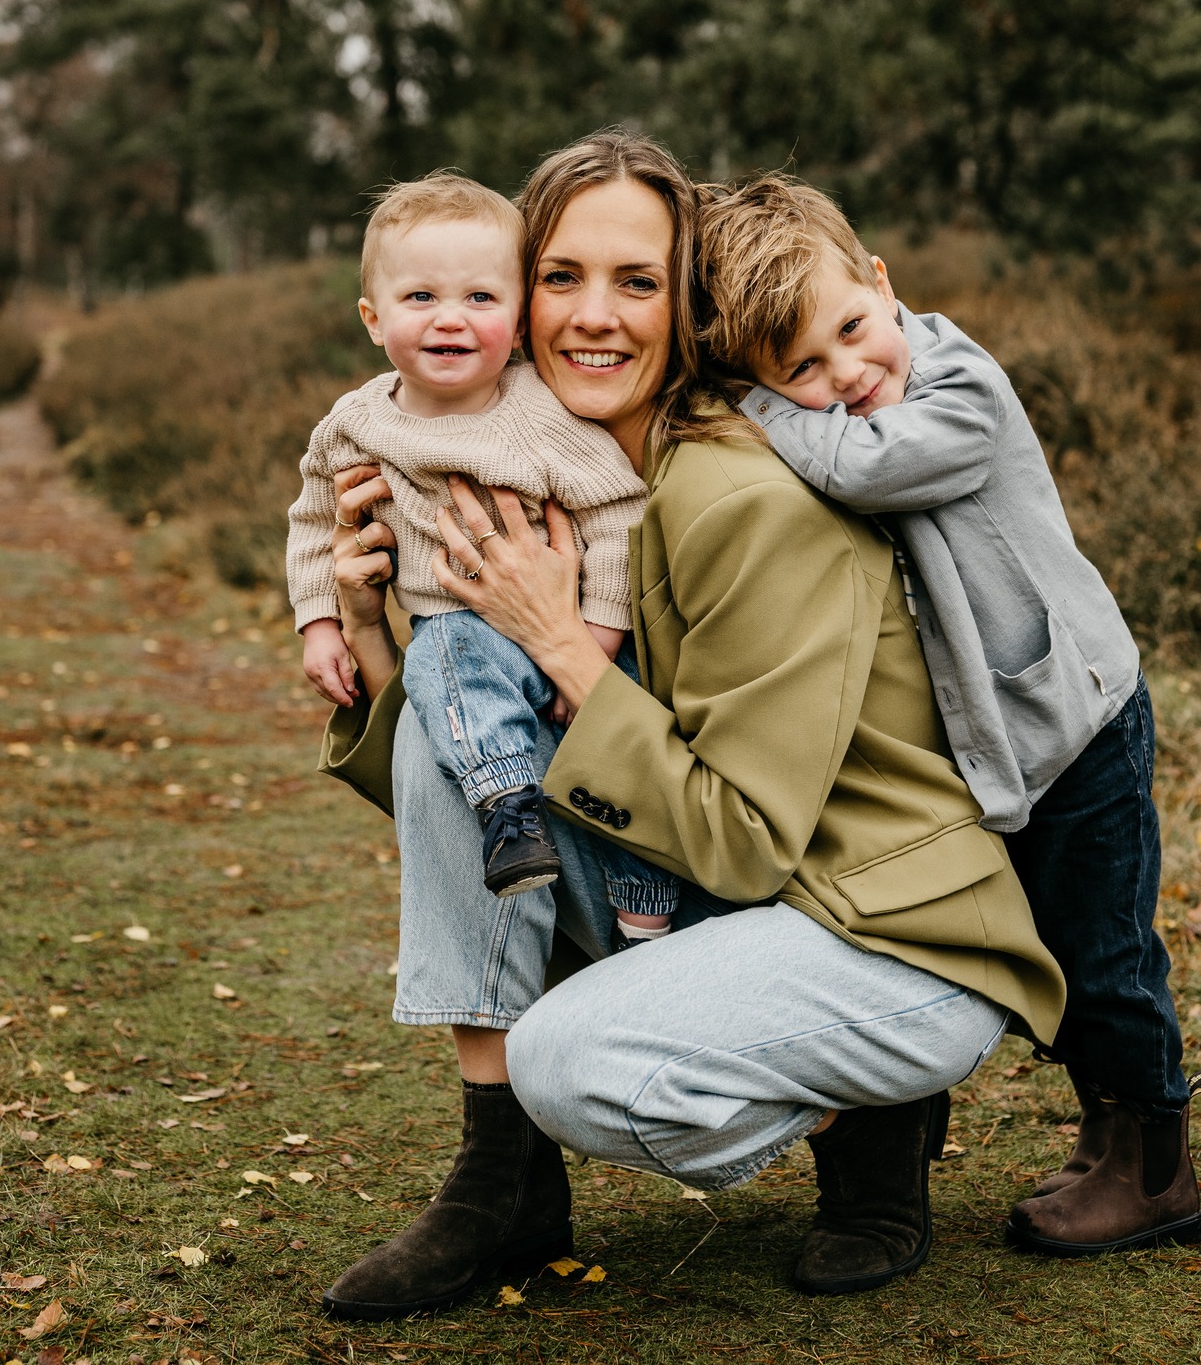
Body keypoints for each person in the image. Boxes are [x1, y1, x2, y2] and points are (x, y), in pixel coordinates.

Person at [312, 131, 1066, 1320]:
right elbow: (467, 774)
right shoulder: (522, 471)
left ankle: (871, 1114)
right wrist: (365, 631)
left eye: (639, 282)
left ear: (692, 307)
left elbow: (745, 838)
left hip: (876, 927)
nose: (590, 317)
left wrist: (561, 643)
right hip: (715, 889)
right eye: (559, 276)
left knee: (574, 1061)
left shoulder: (745, 496)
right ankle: (500, 1183)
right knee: (434, 736)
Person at [696, 173, 1201, 1257]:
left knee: (1103, 955)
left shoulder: (960, 385)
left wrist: (758, 401)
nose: (848, 374)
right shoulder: (864, 389)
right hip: (998, 751)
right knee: (1043, 958)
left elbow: (858, 465)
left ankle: (1155, 1163)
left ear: (882, 280)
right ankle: (1106, 1136)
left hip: (1078, 728)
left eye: (852, 328)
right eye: (803, 368)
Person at [287, 171, 678, 932]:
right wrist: (323, 622)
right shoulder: (356, 423)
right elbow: (312, 518)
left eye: (480, 298)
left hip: (570, 628)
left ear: (520, 317)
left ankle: (645, 904)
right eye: (421, 298)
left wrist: (594, 633)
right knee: (443, 667)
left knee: (615, 751)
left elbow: (617, 514)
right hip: (455, 629)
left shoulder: (542, 411)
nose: (451, 321)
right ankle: (508, 808)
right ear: (373, 318)